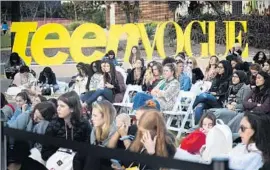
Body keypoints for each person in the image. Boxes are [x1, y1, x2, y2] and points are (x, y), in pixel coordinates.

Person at [41, 91, 91, 170]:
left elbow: (87, 147)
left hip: (77, 160)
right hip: (57, 159)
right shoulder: (54, 124)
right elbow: (46, 150)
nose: (58, 109)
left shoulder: (84, 124)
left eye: (62, 106)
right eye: (58, 105)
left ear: (72, 109)